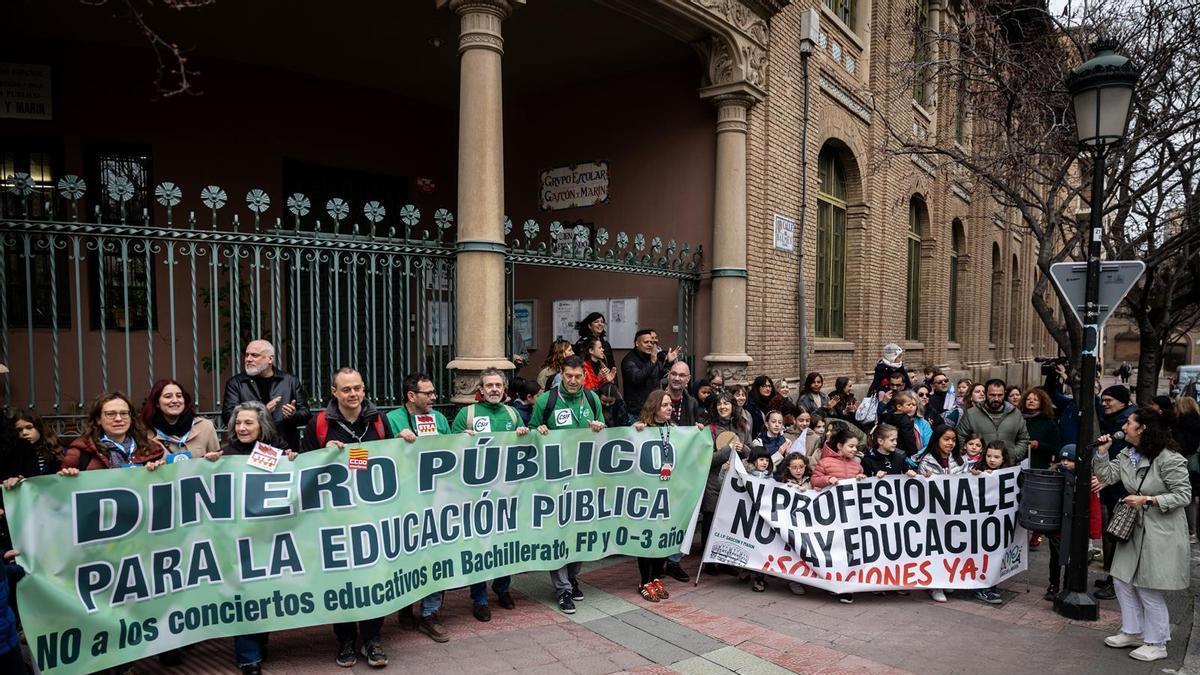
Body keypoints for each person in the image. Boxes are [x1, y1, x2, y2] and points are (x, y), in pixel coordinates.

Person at [298, 368, 391, 668]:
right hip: (334, 520)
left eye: (358, 388)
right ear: (334, 391)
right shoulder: (320, 424)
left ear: (365, 389)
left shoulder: (378, 420)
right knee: (342, 582)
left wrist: (405, 442)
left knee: (373, 578)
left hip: (371, 517)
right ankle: (346, 640)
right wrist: (322, 453)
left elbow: (393, 460)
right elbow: (304, 468)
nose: (353, 394)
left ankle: (372, 639)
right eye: (346, 389)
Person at [1092, 408, 1191, 663]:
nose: (1124, 426)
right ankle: (1132, 631)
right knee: (1122, 579)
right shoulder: (1128, 453)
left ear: (1143, 428)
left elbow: (1184, 495)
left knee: (1147, 586)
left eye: (1129, 422)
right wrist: (1102, 454)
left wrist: (1149, 499)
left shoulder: (1170, 459)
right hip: (1132, 527)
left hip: (1160, 532)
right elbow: (1107, 477)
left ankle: (1157, 642)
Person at [451, 369, 528, 619]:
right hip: (476, 495)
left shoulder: (513, 414)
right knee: (479, 546)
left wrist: (525, 436)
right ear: (481, 390)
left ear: (504, 389)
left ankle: (502, 588)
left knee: (505, 542)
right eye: (489, 385)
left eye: (498, 385)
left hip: (506, 492)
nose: (494, 389)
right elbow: (450, 451)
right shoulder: (467, 414)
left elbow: (526, 450)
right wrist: (461, 439)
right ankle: (479, 598)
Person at [531, 355, 606, 614]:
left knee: (580, 535)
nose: (573, 381)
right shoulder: (546, 400)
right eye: (568, 376)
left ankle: (572, 577)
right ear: (560, 374)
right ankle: (562, 590)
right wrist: (537, 431)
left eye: (578, 376)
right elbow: (530, 434)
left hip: (584, 481)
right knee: (558, 534)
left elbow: (603, 432)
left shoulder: (592, 399)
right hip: (555, 483)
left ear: (584, 376)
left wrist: (601, 427)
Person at [214, 401, 280, 674]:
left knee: (263, 593)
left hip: (266, 537)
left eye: (248, 423)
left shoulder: (271, 454)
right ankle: (248, 657)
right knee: (243, 595)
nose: (241, 428)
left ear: (261, 426)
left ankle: (260, 640)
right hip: (235, 539)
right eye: (237, 423)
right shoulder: (222, 456)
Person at [385, 373, 451, 642]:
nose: (434, 397)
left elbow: (455, 449)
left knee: (435, 556)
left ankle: (430, 614)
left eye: (434, 392)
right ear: (411, 396)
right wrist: (395, 440)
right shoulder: (391, 420)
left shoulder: (440, 419)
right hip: (403, 502)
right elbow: (375, 455)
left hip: (436, 501)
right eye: (428, 393)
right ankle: (405, 607)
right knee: (406, 555)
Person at [221, 340, 311, 450]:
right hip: (248, 450)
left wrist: (293, 415)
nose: (248, 359)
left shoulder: (290, 381)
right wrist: (264, 411)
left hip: (285, 448)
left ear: (270, 359)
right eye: (247, 355)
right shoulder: (236, 383)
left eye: (254, 355)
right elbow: (228, 417)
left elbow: (306, 414)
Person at [631, 390, 677, 601]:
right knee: (646, 537)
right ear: (654, 407)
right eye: (665, 405)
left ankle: (657, 575)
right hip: (645, 494)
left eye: (670, 405)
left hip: (666, 493)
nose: (669, 408)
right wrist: (635, 431)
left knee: (663, 536)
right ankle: (645, 580)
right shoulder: (641, 429)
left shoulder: (674, 430)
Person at [811, 428, 865, 603]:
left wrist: (863, 479)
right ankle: (833, 582)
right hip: (831, 514)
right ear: (840, 446)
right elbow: (814, 480)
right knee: (834, 550)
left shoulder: (857, 466)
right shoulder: (825, 462)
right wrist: (827, 480)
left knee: (849, 550)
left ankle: (846, 587)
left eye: (856, 447)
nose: (854, 450)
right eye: (851, 446)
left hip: (850, 516)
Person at [1095, 384, 1137, 599]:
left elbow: (1125, 460)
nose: (1104, 404)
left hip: (1123, 489)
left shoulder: (1127, 425)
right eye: (1102, 400)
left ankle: (1116, 582)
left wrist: (1107, 480)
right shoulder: (1114, 419)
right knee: (1112, 530)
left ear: (1123, 401)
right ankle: (1112, 576)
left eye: (1108, 401)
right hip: (1113, 485)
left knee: (1118, 534)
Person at [917, 425, 965, 604]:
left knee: (952, 547)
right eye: (946, 439)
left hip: (954, 512)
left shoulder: (960, 461)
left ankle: (948, 578)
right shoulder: (927, 462)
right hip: (934, 513)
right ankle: (935, 585)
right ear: (937, 440)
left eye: (953, 439)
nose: (950, 443)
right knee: (936, 549)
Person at [61, 392, 165, 472]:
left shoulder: (149, 447)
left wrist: (157, 470)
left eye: (124, 413)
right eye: (110, 414)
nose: (118, 419)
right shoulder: (79, 452)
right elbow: (63, 489)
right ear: (98, 419)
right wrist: (70, 475)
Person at [701, 392, 749, 560]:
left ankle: (726, 560)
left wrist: (742, 449)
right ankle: (709, 561)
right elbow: (707, 460)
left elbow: (750, 452)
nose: (723, 407)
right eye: (719, 404)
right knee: (710, 520)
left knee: (729, 523)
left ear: (733, 406)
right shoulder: (709, 429)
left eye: (726, 403)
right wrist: (728, 449)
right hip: (714, 483)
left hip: (735, 482)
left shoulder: (742, 426)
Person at [968, 441, 1012, 605]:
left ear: (1003, 458)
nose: (992, 460)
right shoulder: (976, 469)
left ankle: (990, 584)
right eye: (989, 456)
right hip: (980, 523)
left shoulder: (1010, 473)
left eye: (996, 457)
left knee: (995, 554)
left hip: (998, 523)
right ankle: (982, 588)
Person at [956, 379, 1030, 463]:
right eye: (992, 395)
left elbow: (1023, 439)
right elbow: (961, 437)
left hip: (1009, 465)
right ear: (985, 394)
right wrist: (974, 457)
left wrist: (1013, 455)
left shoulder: (1015, 413)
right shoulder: (971, 414)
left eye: (1000, 395)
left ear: (1004, 393)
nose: (996, 398)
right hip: (979, 467)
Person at [141, 378, 219, 457]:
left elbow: (218, 464)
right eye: (168, 397)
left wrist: (211, 459)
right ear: (157, 403)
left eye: (179, 396)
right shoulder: (146, 433)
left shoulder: (205, 426)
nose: (175, 400)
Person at [621, 329, 678, 418]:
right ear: (637, 343)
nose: (650, 345)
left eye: (651, 342)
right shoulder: (629, 360)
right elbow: (637, 378)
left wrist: (668, 362)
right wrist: (652, 362)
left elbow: (660, 375)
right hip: (637, 412)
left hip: (653, 408)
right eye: (646, 342)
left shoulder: (651, 357)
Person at [1172, 397, 1200, 542]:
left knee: (1188, 497)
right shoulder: (1197, 421)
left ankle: (1191, 532)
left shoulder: (1181, 425)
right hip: (1197, 464)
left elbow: (1182, 446)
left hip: (1189, 465)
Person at [7, 410, 62, 480]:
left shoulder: (54, 449)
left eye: (29, 427)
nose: (24, 433)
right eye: (19, 430)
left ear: (39, 428)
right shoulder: (14, 453)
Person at [1023, 388, 1061, 470]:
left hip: (1039, 466)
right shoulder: (1019, 419)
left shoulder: (1049, 423)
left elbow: (1055, 448)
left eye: (1035, 400)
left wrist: (1038, 445)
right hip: (1020, 464)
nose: (1031, 401)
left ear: (1042, 403)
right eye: (1028, 399)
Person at [882, 391, 923, 459]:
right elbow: (909, 438)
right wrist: (914, 453)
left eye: (913, 405)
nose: (911, 407)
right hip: (901, 450)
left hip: (888, 447)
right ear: (899, 406)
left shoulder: (889, 416)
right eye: (908, 405)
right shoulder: (906, 421)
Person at [664, 361, 702, 427]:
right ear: (669, 375)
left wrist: (698, 427)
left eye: (681, 375)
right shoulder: (657, 399)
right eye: (673, 374)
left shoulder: (692, 403)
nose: (677, 378)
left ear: (688, 379)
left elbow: (695, 425)